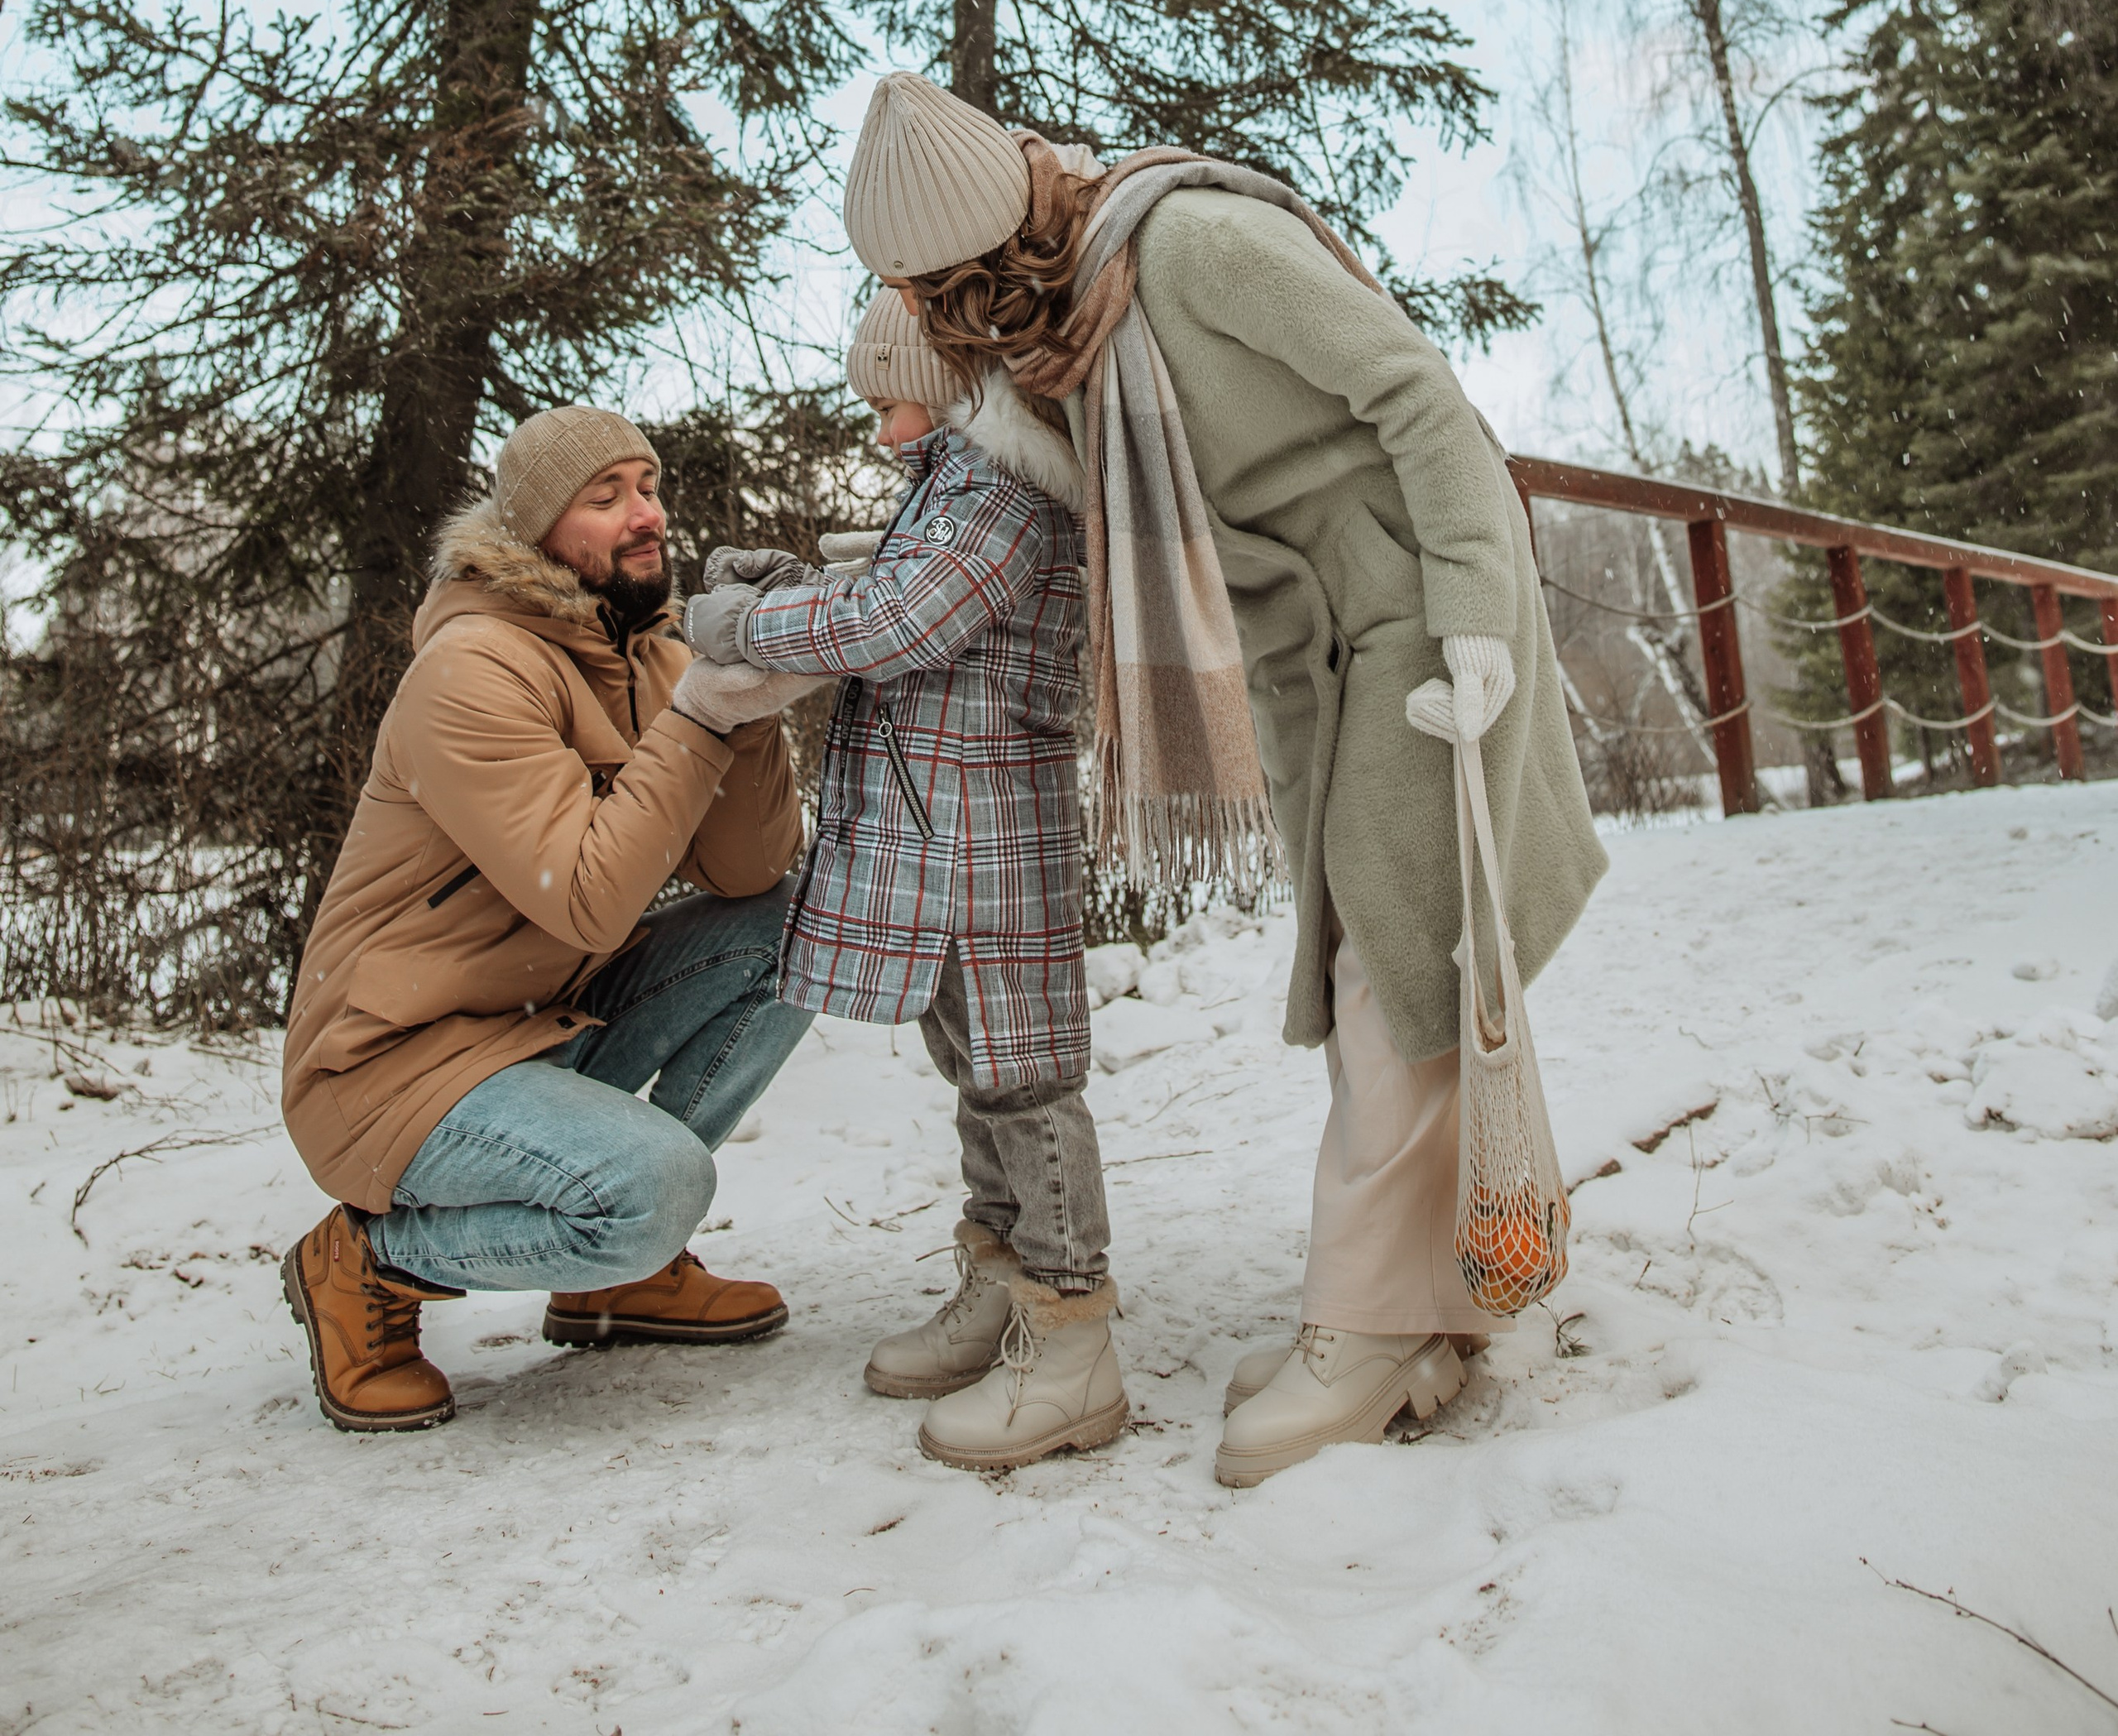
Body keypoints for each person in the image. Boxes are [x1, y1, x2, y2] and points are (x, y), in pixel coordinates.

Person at [831, 72, 1607, 1488]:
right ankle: (1435, 1307)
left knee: (1391, 960)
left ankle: (1368, 1329)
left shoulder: (1192, 247)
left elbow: (1423, 405)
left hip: (1423, 618)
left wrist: (1479, 613)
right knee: (1393, 954)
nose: (949, 326)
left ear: (989, 244)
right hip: (1312, 651)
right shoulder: (1059, 342)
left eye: (946, 290)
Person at [279, 404, 828, 1434]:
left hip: (536, 1026)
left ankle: (621, 1272)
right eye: (605, 496)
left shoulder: (648, 650)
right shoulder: (472, 670)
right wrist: (704, 715)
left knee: (804, 924)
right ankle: (367, 1258)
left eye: (650, 488)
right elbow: (588, 895)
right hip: (393, 1069)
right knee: (655, 1184)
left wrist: (744, 705)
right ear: (535, 530)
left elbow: (748, 870)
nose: (644, 515)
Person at [688, 290, 1124, 1472]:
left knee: (1027, 1079)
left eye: (889, 401)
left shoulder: (1004, 488)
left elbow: (904, 617)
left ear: (945, 380)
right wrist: (785, 585)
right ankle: (999, 1279)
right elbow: (896, 581)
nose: (883, 433)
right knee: (978, 1070)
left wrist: (743, 625)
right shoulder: (958, 479)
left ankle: (1071, 1323)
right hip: (948, 837)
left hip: (990, 836)